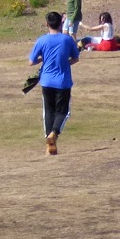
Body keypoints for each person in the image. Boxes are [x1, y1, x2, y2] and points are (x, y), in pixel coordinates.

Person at [29, 10, 81, 154]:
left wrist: (44, 59)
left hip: (46, 81)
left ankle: (50, 145)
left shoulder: (42, 40)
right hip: (63, 81)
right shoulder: (67, 40)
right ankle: (54, 133)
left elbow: (31, 61)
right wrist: (64, 63)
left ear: (47, 24)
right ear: (60, 24)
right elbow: (76, 58)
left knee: (48, 111)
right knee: (63, 112)